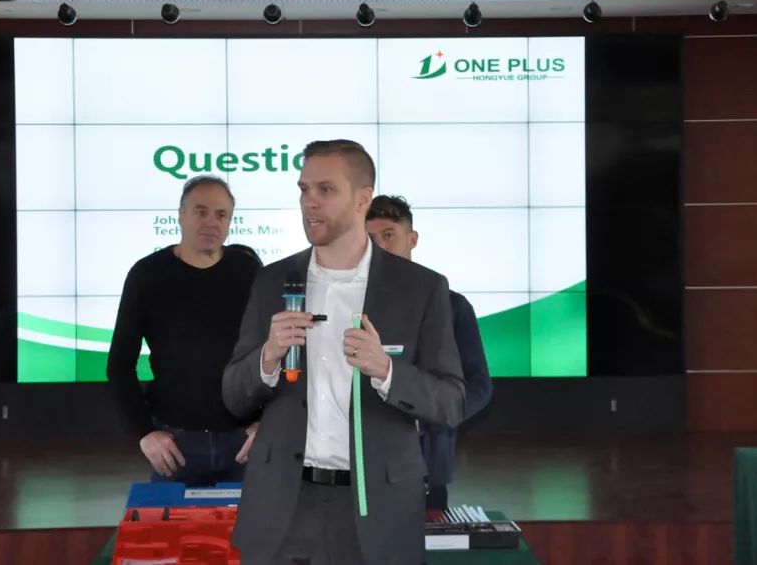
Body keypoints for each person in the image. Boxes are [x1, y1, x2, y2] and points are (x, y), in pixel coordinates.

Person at [222, 139, 465, 565]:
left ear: (362, 199)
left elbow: (451, 402)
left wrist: (386, 370)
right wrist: (268, 356)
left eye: (326, 189)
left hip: (378, 510)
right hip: (284, 507)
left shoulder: (421, 288)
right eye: (304, 190)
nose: (309, 202)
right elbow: (233, 395)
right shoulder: (272, 281)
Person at [108, 175, 261, 485]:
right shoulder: (147, 274)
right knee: (169, 519)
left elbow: (273, 354)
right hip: (175, 445)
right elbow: (119, 364)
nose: (211, 222)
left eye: (221, 214)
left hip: (243, 443)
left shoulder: (248, 271)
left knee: (253, 520)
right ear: (180, 215)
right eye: (200, 211)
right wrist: (144, 432)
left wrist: (265, 423)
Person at [365, 195, 492, 508]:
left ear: (413, 239)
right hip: (360, 468)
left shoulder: (452, 306)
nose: (379, 246)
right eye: (371, 238)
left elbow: (478, 386)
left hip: (427, 467)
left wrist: (434, 416)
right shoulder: (350, 304)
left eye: (389, 235)